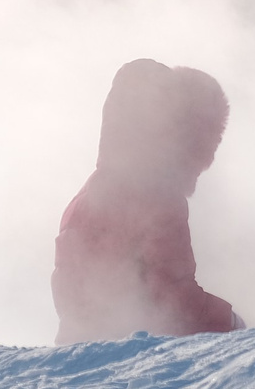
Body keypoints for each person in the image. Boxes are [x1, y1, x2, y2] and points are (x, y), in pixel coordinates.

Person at [52, 59, 244, 345]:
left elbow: (70, 289)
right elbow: (172, 298)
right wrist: (230, 322)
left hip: (79, 358)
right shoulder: (158, 198)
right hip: (131, 366)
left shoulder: (91, 192)